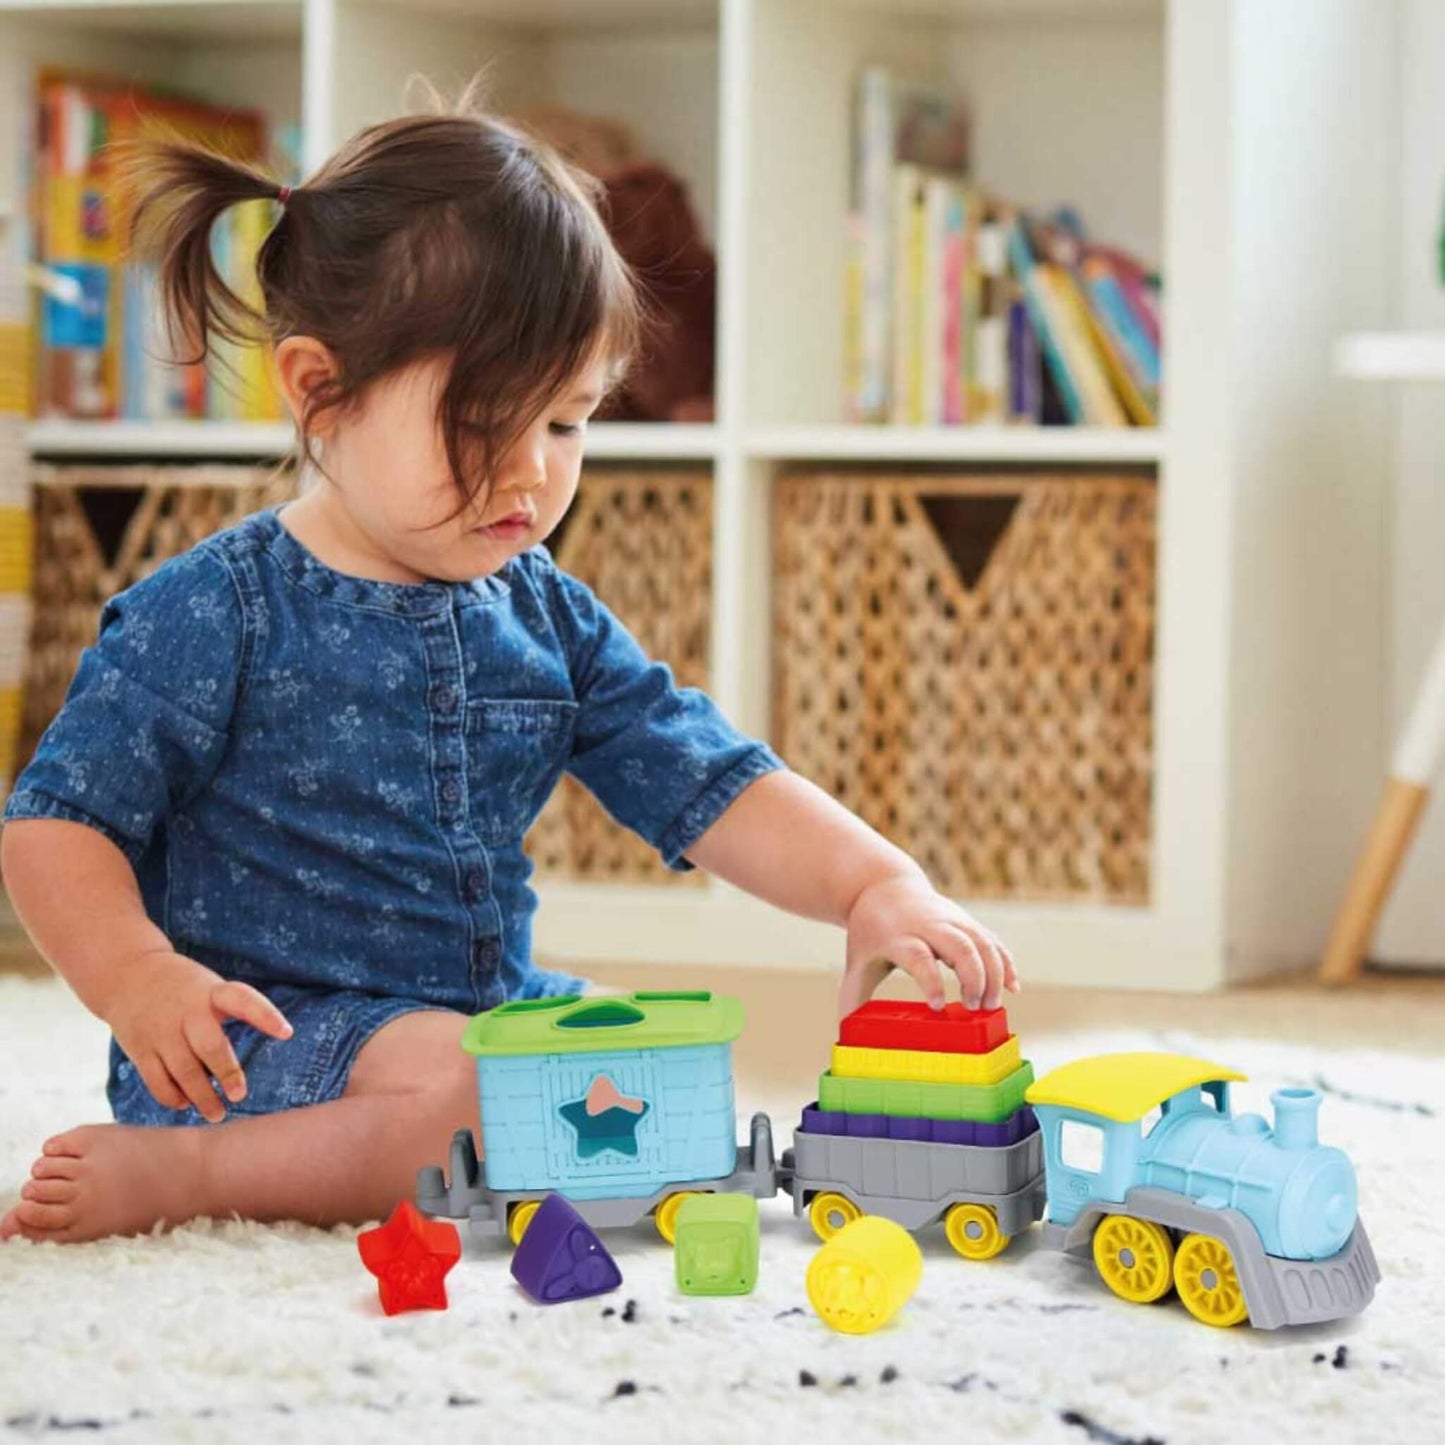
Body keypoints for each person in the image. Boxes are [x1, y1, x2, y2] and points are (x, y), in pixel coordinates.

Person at [0, 90, 1017, 1244]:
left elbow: (708, 774)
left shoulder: (545, 613)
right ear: (318, 388)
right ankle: (187, 1176)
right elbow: (55, 820)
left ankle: (471, 1118)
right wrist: (140, 981)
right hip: (252, 1043)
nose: (533, 473)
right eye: (488, 422)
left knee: (662, 1069)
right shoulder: (216, 609)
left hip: (481, 1016)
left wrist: (873, 884)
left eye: (571, 421)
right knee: (464, 1096)